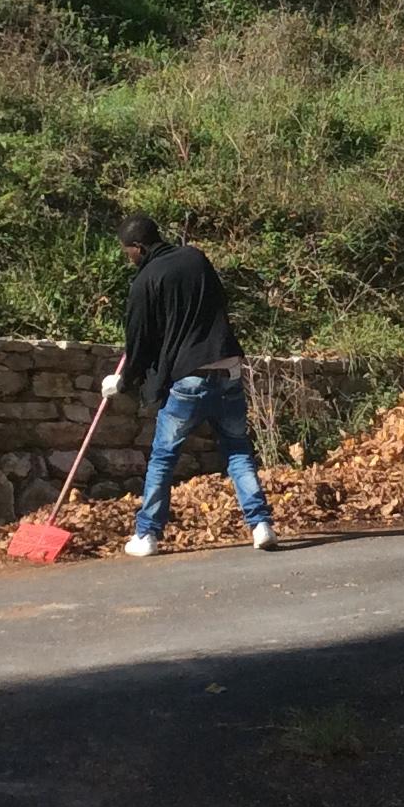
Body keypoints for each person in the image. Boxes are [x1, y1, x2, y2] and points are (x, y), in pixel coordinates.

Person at [105, 216, 275, 557]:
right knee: (237, 450)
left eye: (128, 252)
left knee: (163, 457)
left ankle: (147, 534)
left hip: (189, 379)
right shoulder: (196, 258)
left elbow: (138, 342)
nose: (129, 258)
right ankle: (261, 525)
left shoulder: (144, 282)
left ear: (138, 247)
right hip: (227, 368)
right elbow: (219, 302)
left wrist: (122, 382)